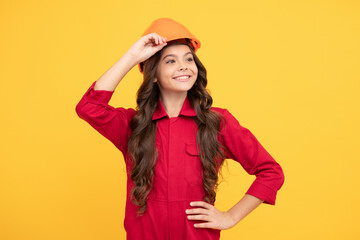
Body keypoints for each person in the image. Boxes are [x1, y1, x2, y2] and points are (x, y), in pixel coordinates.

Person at [75, 18, 285, 240]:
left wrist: (231, 217)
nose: (183, 65)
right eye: (170, 61)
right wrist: (133, 56)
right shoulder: (132, 125)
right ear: (153, 74)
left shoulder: (217, 122)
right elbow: (89, 108)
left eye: (188, 59)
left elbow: (271, 172)